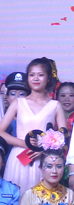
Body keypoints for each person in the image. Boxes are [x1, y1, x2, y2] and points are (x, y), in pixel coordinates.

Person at [0, 58, 67, 195]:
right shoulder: (18, 103)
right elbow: (1, 132)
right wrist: (24, 143)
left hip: (44, 160)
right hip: (19, 158)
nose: (36, 78)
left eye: (40, 75)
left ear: (48, 78)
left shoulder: (55, 105)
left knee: (41, 201)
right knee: (17, 199)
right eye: (32, 75)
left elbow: (63, 137)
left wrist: (44, 150)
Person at [4, 71, 31, 139]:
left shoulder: (33, 118)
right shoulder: (1, 118)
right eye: (12, 94)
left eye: (21, 94)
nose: (17, 98)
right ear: (7, 97)